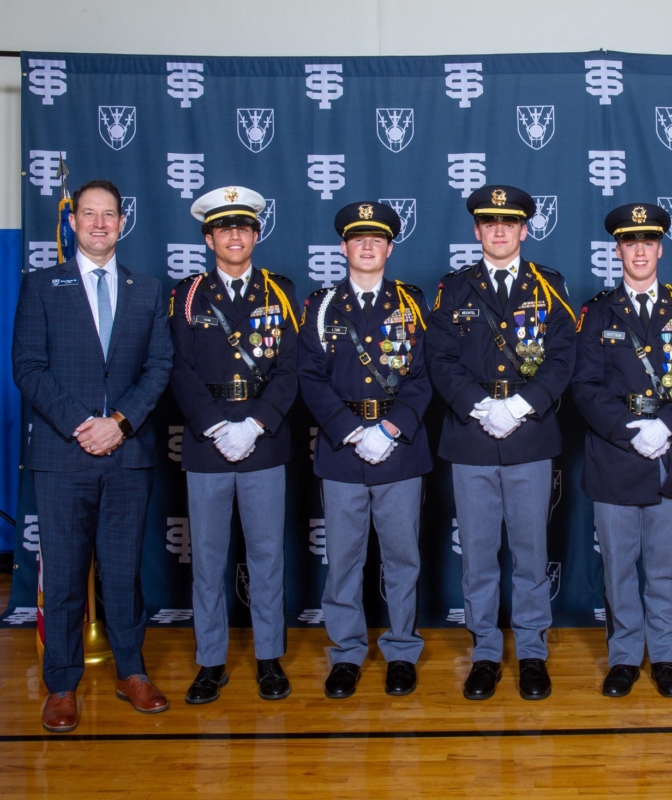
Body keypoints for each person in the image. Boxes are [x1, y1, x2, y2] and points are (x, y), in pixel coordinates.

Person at [13, 179, 173, 731]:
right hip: (64, 454)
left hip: (127, 454)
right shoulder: (41, 286)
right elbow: (27, 367)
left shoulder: (147, 290)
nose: (99, 223)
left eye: (109, 215)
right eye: (89, 214)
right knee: (61, 577)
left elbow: (159, 367)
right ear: (74, 221)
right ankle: (61, 684)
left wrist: (119, 424)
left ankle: (132, 672)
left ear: (122, 223)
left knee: (124, 573)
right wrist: (84, 427)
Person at [426, 185, 576, 701]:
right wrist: (478, 405)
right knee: (479, 556)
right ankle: (486, 652)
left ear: (524, 230)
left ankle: (532, 652)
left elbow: (562, 359)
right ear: (476, 230)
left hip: (529, 435)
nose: (498, 230)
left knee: (532, 554)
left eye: (508, 223)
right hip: (470, 435)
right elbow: (439, 359)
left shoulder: (549, 286)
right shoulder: (452, 290)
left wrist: (519, 405)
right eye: (489, 223)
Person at [572, 203, 672, 698]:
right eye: (629, 242)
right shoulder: (596, 312)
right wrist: (629, 429)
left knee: (665, 567)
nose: (639, 250)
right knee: (618, 567)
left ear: (659, 248)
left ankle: (666, 657)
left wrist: (669, 426)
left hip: (670, 458)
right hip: (616, 455)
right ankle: (624, 657)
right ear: (618, 250)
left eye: (647, 242)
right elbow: (584, 385)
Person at [298, 201, 433, 699]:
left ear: (390, 247)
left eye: (377, 238)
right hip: (342, 449)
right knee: (345, 559)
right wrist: (353, 431)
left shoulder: (413, 304)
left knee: (402, 558)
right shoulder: (320, 308)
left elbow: (423, 378)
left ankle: (401, 650)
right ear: (344, 247)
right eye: (358, 238)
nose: (368, 246)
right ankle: (347, 653)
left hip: (399, 448)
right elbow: (309, 377)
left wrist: (391, 428)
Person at [169, 186, 299, 704]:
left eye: (243, 227)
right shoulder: (186, 296)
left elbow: (291, 371)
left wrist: (257, 423)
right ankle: (211, 662)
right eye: (224, 228)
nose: (235, 235)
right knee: (208, 559)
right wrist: (216, 426)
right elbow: (178, 369)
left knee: (267, 555)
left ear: (255, 234)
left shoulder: (282, 292)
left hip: (263, 440)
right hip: (207, 442)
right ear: (208, 238)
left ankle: (269, 658)